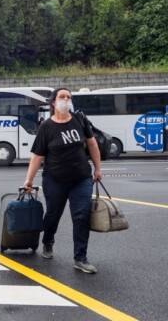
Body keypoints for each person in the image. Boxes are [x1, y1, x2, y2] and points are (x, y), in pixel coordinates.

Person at [23, 87, 102, 274]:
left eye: (69, 97)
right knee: (53, 215)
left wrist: (98, 169)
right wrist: (28, 180)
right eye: (62, 97)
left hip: (81, 178)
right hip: (54, 180)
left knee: (81, 216)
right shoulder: (46, 127)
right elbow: (37, 156)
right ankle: (48, 241)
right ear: (53, 102)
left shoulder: (79, 119)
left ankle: (80, 258)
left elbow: (91, 143)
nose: (66, 100)